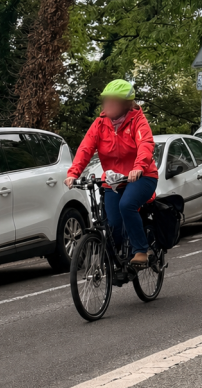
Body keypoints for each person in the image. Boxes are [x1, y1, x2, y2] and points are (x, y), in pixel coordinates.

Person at [65, 79, 159, 266]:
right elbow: (86, 148)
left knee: (127, 205)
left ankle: (141, 250)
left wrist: (139, 167)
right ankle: (116, 261)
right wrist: (73, 173)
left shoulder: (138, 121)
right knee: (112, 223)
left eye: (112, 101)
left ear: (125, 104)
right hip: (113, 181)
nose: (107, 105)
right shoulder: (100, 124)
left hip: (142, 176)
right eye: (105, 100)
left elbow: (145, 145)